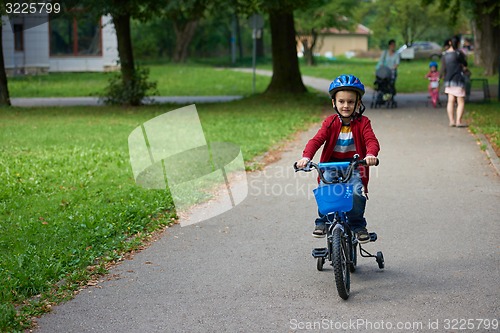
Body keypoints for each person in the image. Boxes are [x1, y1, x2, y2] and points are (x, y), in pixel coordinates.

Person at [295, 75, 380, 243]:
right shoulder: (330, 122)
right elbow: (316, 140)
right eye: (341, 101)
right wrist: (306, 157)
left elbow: (371, 140)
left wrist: (371, 155)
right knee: (326, 190)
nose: (346, 105)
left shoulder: (363, 123)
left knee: (356, 192)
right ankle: (323, 221)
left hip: (354, 166)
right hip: (330, 166)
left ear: (358, 103)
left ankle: (357, 224)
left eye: (350, 102)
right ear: (334, 103)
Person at [441, 36, 468, 127]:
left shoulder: (445, 54)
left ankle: (451, 121)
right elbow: (465, 63)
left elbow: (443, 68)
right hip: (458, 79)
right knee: (460, 101)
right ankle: (458, 121)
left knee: (450, 101)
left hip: (448, 80)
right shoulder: (458, 54)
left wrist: (441, 77)